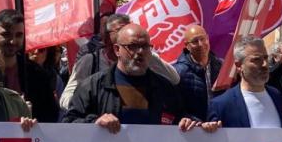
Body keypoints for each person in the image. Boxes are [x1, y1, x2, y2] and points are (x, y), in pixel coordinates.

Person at [64, 24, 192, 131]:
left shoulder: (165, 88)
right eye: (133, 46)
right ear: (117, 50)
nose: (140, 52)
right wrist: (95, 122)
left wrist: (191, 123)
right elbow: (69, 123)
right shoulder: (92, 86)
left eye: (145, 46)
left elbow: (181, 117)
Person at [60, 14, 180, 110]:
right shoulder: (90, 62)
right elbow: (66, 99)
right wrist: (92, 104)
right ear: (106, 36)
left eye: (128, 29)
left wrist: (147, 53)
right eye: (119, 30)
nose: (126, 33)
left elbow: (174, 79)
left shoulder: (145, 57)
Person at [0, 9, 59, 123]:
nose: (13, 41)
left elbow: (50, 115)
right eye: (6, 34)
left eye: (18, 35)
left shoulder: (36, 73)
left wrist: (33, 119)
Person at [209, 36, 282, 129]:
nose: (264, 64)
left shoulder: (276, 96)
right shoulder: (221, 105)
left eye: (265, 58)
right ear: (239, 65)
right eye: (256, 60)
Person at [173, 24, 224, 121]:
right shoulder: (179, 72)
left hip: (220, 129)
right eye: (195, 41)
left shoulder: (221, 67)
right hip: (194, 130)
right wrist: (197, 123)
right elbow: (176, 108)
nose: (200, 44)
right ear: (187, 46)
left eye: (203, 39)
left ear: (208, 39)